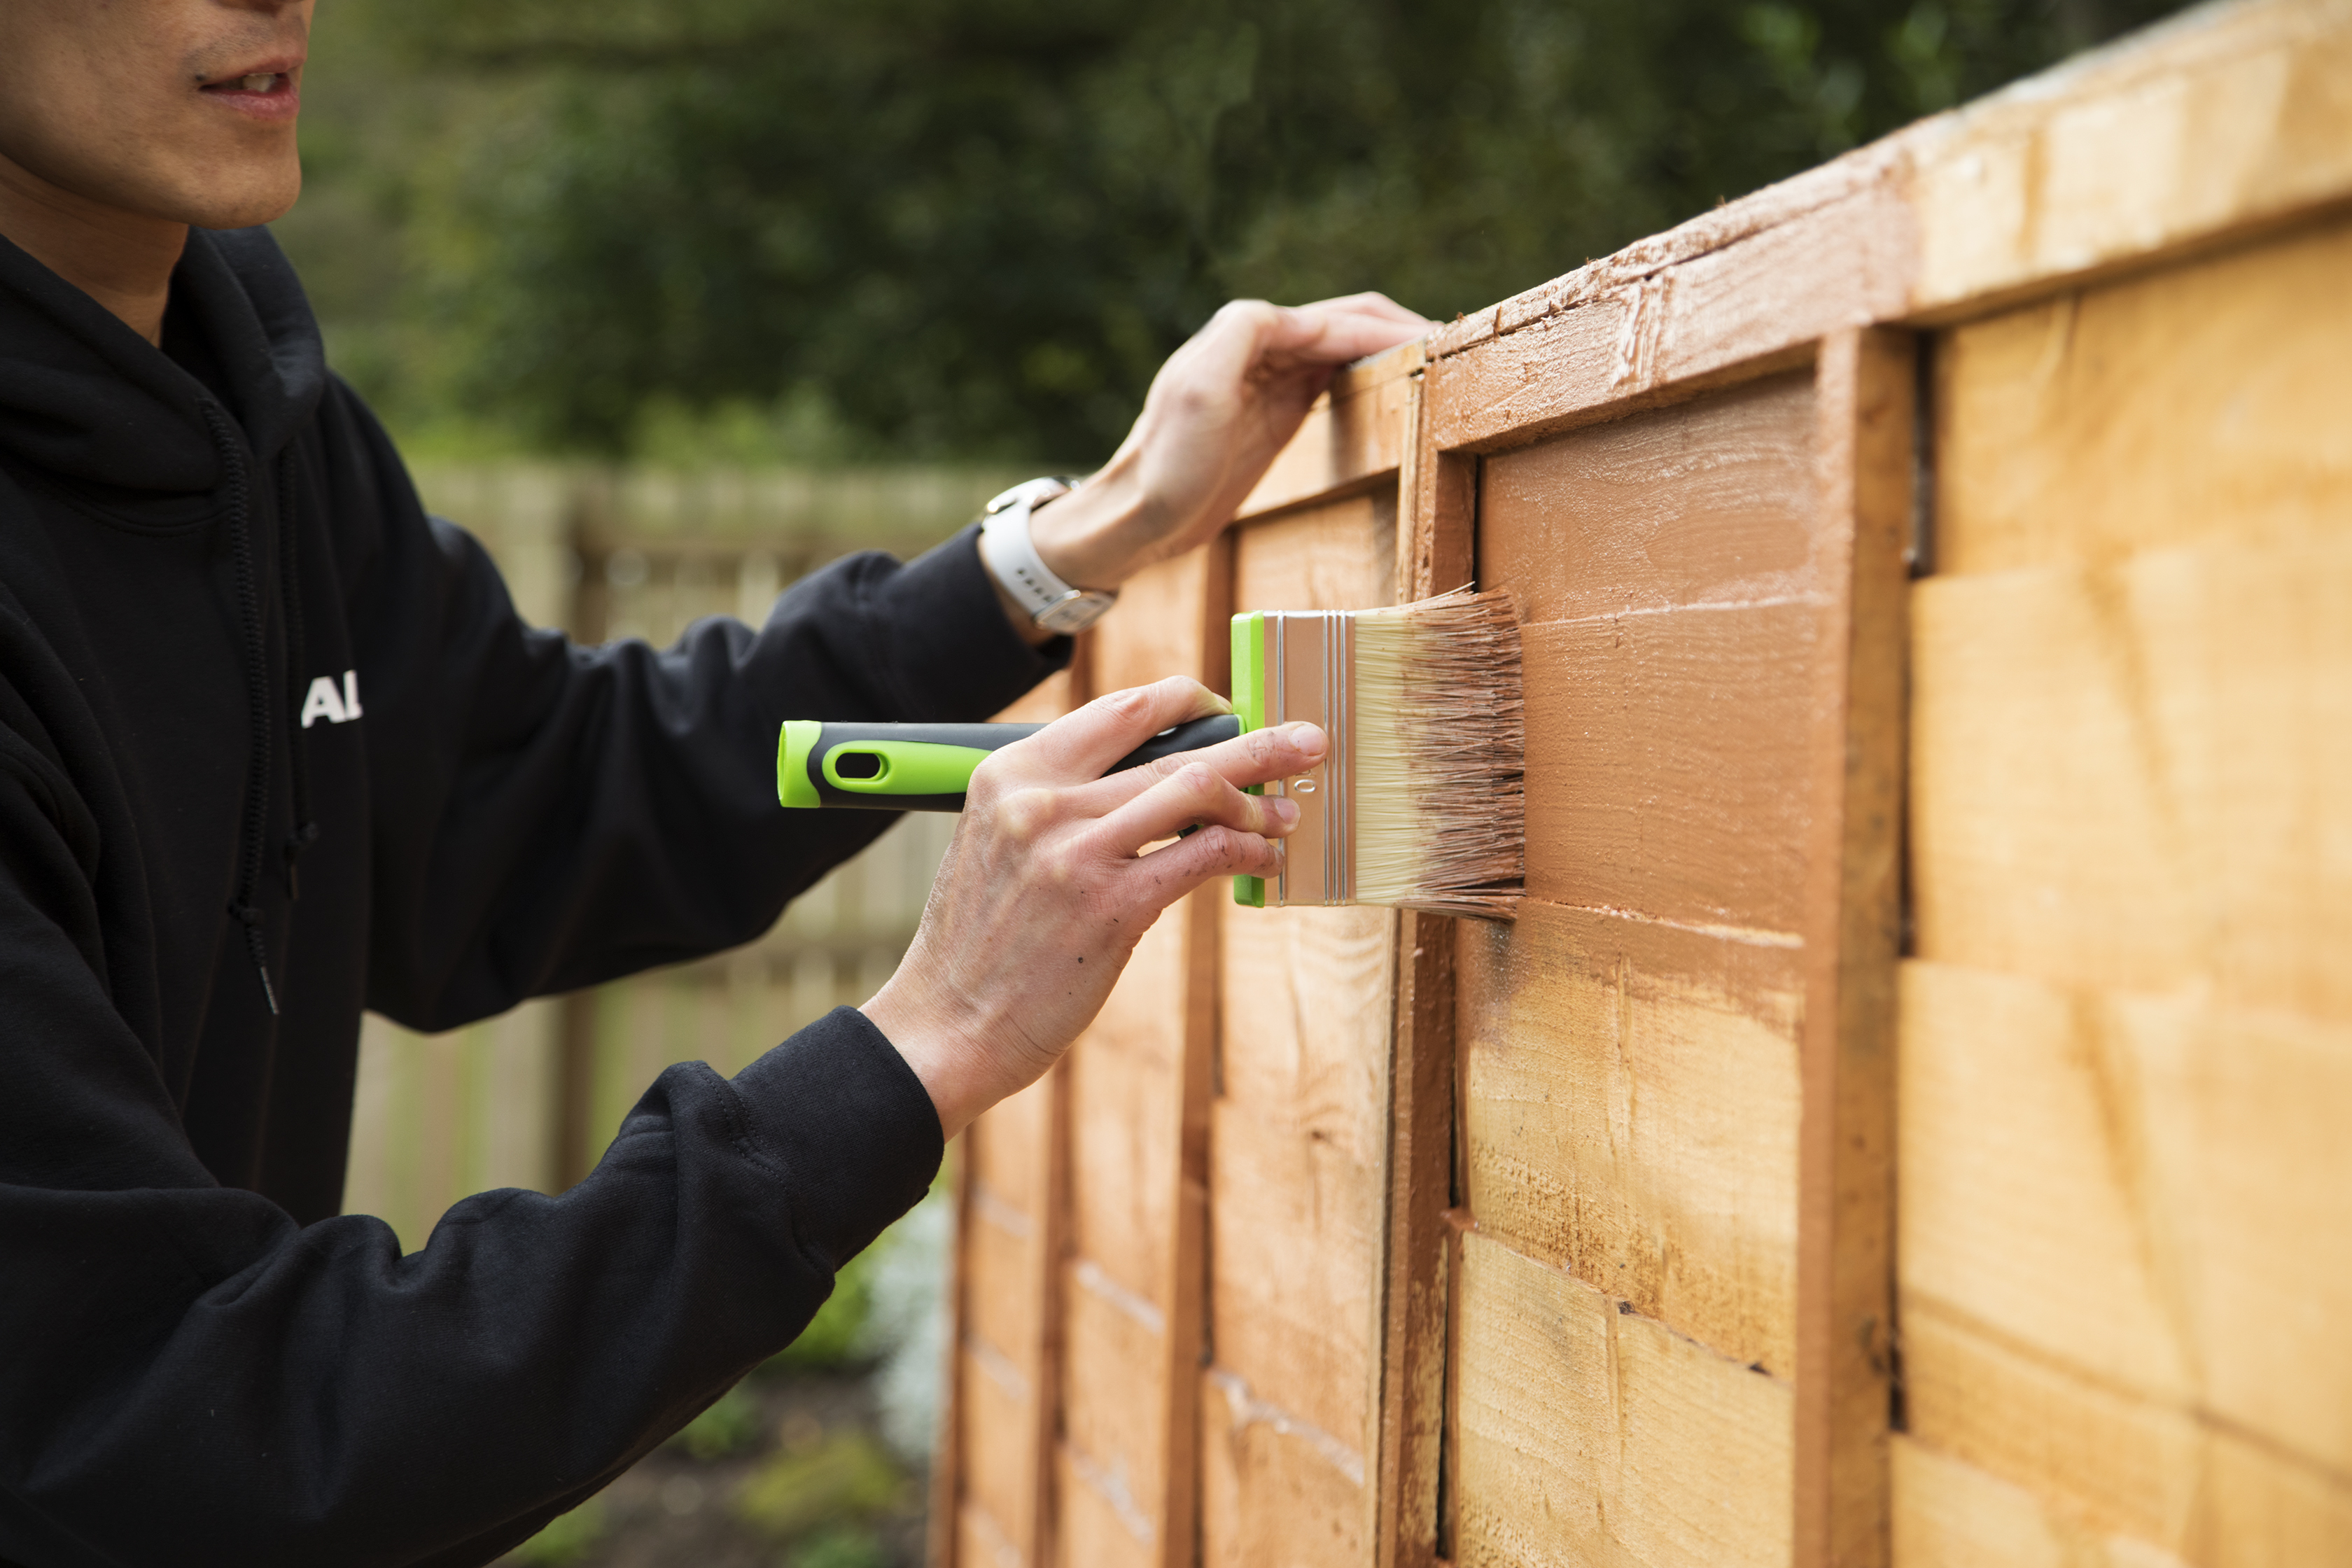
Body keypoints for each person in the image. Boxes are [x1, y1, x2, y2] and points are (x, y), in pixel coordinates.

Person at [0, 2, 1427, 1562]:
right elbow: (173, 1429)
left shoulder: (258, 428)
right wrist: (925, 1042)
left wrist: (1079, 537)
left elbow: (547, 795)